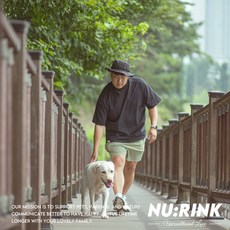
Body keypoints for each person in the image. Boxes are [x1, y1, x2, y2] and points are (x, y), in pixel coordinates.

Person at [90, 60, 161, 211]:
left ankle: (121, 197)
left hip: (136, 134)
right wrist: (95, 149)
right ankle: (118, 197)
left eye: (123, 77)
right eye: (116, 77)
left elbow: (152, 106)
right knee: (118, 162)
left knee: (131, 167)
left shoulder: (140, 85)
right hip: (115, 136)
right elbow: (100, 124)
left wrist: (153, 127)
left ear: (128, 76)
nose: (119, 80)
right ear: (111, 75)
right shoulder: (106, 94)